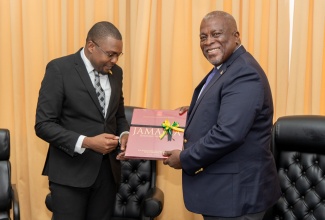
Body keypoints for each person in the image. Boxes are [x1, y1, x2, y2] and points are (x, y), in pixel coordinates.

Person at [163, 11, 281, 220]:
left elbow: (229, 133)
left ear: (236, 36)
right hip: (225, 194)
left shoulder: (244, 72)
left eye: (216, 34)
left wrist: (184, 158)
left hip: (237, 199)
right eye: (203, 37)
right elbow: (229, 108)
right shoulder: (227, 67)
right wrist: (197, 110)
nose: (209, 42)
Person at [35, 21, 130, 220]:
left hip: (107, 173)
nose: (114, 60)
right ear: (91, 46)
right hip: (70, 174)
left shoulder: (116, 73)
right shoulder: (59, 69)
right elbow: (44, 125)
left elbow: (118, 115)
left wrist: (124, 135)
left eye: (118, 55)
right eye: (110, 54)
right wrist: (87, 142)